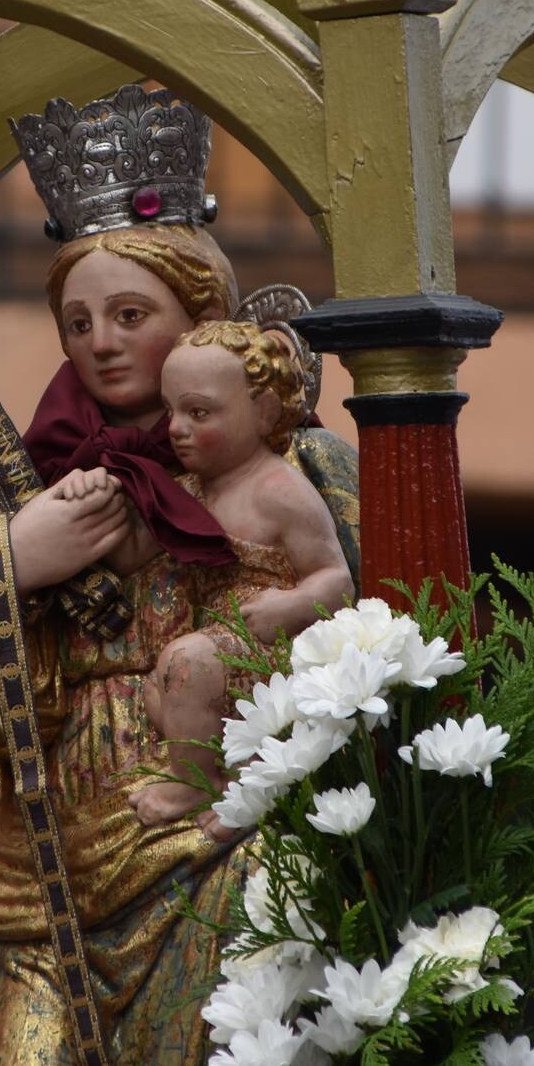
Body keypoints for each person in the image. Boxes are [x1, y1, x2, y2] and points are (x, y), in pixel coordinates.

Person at [0, 85, 359, 1066]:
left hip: (223, 824)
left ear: (200, 316)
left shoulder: (293, 467)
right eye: (78, 320)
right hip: (56, 842)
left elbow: (370, 624)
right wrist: (10, 564)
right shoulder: (30, 479)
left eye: (130, 314)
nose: (101, 341)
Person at [115, 319, 350, 831]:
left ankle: (192, 787)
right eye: (171, 410)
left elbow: (336, 580)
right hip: (216, 643)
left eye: (198, 412)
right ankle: (231, 786)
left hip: (275, 647)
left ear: (262, 411)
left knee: (183, 663)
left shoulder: (279, 491)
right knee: (155, 692)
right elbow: (138, 553)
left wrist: (287, 606)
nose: (176, 427)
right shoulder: (190, 488)